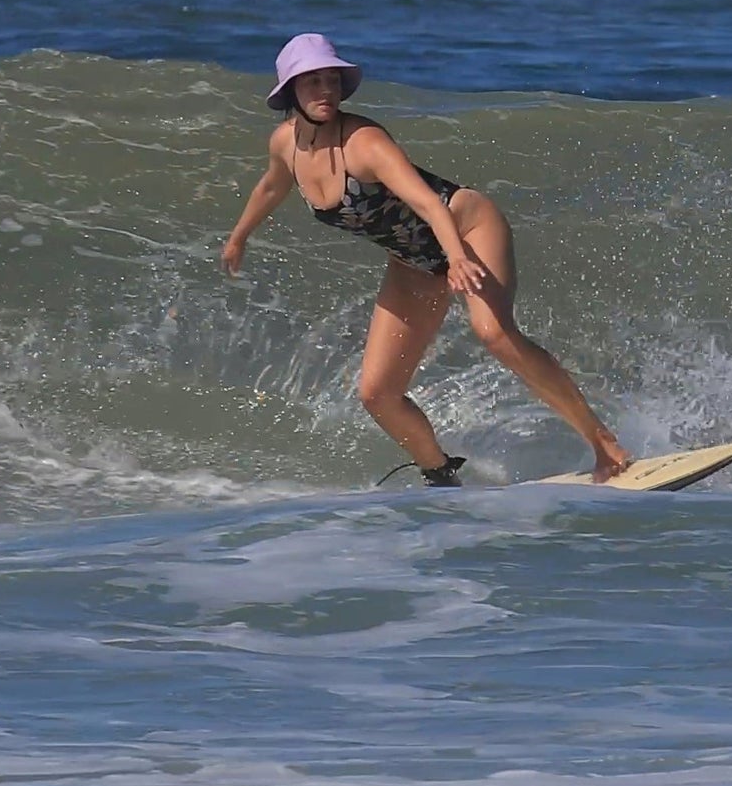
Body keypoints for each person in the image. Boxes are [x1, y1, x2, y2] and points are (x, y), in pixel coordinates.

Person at [221, 33, 631, 485]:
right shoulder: (285, 144)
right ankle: (439, 474)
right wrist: (239, 237)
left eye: (332, 80)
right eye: (312, 81)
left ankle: (604, 443)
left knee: (493, 333)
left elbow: (429, 204)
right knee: (378, 393)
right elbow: (272, 186)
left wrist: (456, 258)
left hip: (467, 228)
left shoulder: (364, 143)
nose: (325, 91)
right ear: (290, 91)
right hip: (412, 260)